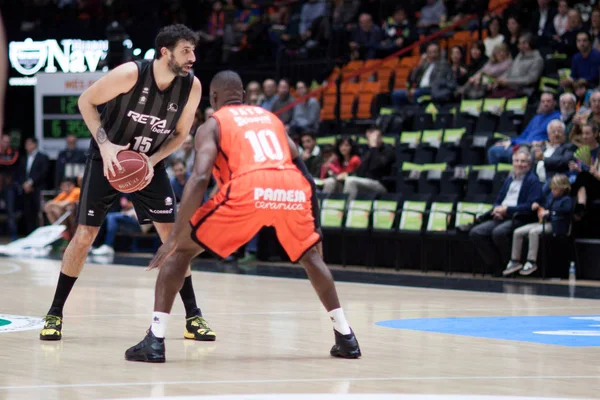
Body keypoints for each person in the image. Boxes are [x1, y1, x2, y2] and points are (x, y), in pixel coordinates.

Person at [125, 70, 361, 363]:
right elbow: (303, 168)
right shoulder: (271, 119)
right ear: (244, 97)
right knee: (312, 258)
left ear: (213, 98)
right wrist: (313, 226)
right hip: (292, 186)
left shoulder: (212, 125)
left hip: (249, 186)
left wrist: (174, 235)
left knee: (179, 254)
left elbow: (199, 178)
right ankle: (346, 337)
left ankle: (155, 340)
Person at [39, 24, 215, 343]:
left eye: (194, 50)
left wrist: (151, 161)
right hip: (109, 158)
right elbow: (85, 102)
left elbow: (180, 135)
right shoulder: (130, 74)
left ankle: (193, 317)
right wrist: (106, 146)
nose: (193, 57)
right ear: (165, 52)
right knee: (84, 235)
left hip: (149, 161)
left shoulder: (192, 87)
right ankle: (55, 312)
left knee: (171, 239)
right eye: (186, 50)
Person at [503, 174, 572, 276]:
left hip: (556, 226)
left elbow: (565, 211)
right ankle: (515, 260)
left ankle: (531, 261)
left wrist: (549, 213)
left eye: (556, 189)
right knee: (518, 232)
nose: (553, 191)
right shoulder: (551, 197)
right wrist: (539, 207)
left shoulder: (567, 200)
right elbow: (545, 207)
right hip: (543, 222)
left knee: (533, 232)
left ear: (563, 188)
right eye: (552, 189)